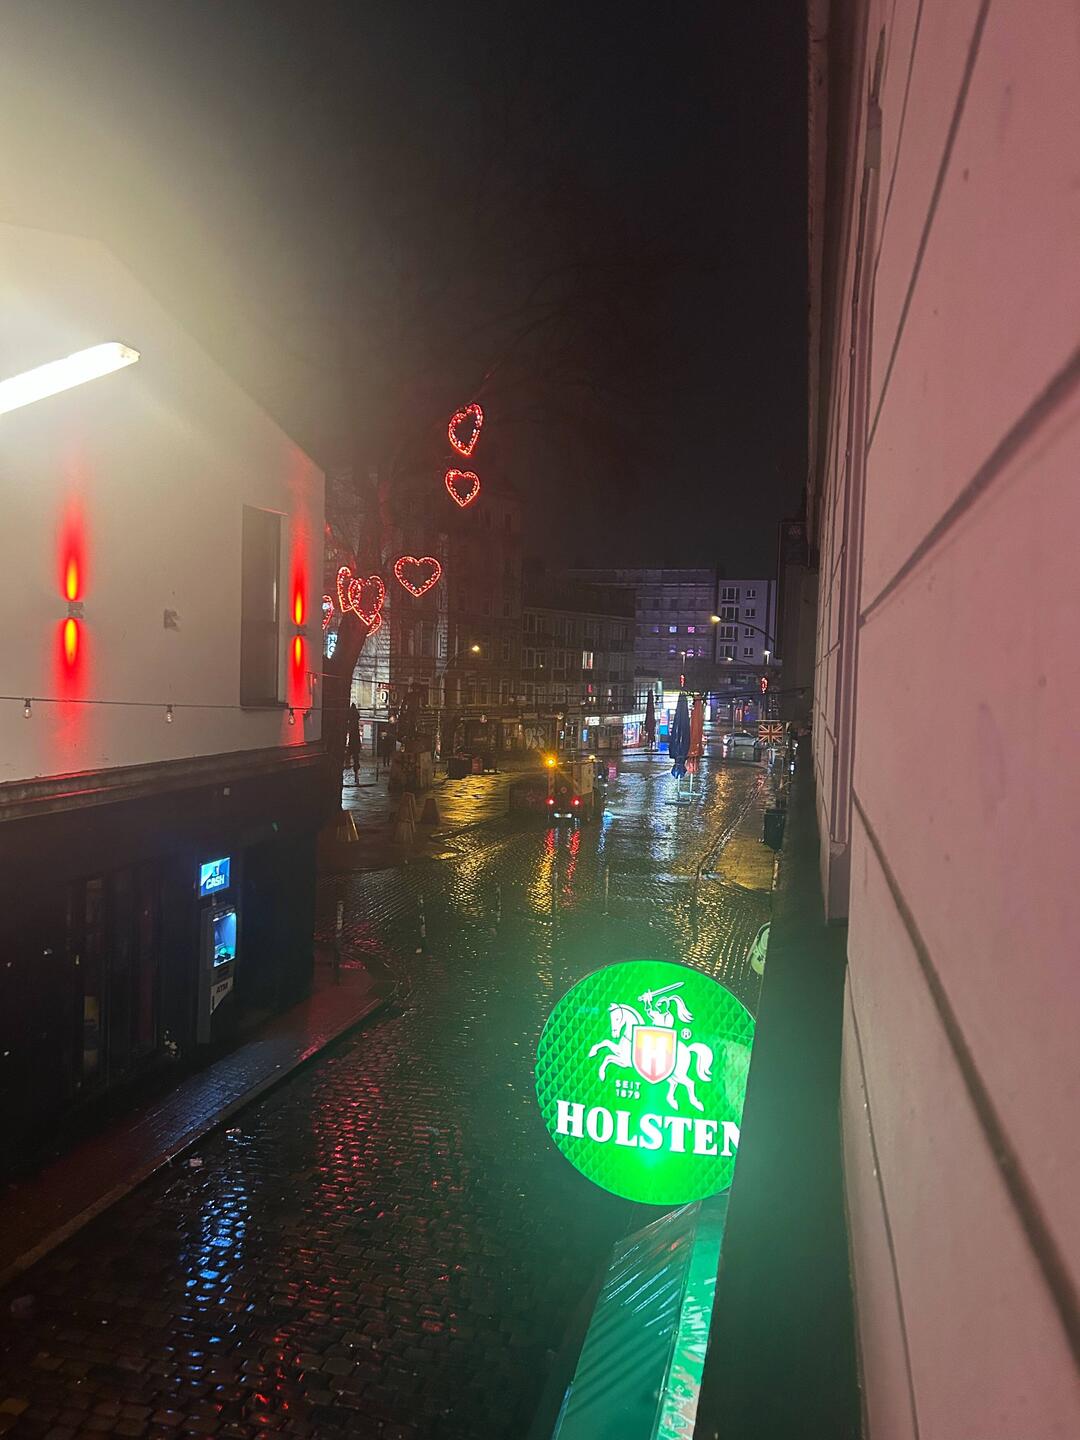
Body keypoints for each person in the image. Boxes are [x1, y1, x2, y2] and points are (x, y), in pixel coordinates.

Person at [346, 703, 362, 785]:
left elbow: (350, 727)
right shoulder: (355, 721)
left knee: (349, 755)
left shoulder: (352, 722)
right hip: (356, 743)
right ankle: (356, 776)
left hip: (353, 742)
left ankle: (347, 764)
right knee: (356, 758)